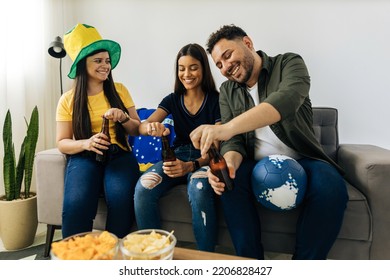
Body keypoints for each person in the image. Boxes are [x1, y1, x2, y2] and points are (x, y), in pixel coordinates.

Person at [190, 24, 349, 259]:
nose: (225, 67)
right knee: (229, 186)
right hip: (254, 164)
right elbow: (233, 143)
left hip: (304, 158)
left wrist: (224, 128)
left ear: (247, 43)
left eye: (227, 55)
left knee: (331, 187)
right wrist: (230, 164)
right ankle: (251, 263)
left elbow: (286, 100)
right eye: (219, 65)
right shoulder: (227, 90)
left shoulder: (289, 63)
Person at [56, 23, 141, 239]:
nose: (105, 65)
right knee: (76, 202)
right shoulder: (68, 100)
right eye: (98, 61)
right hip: (84, 156)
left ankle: (112, 253)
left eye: (107, 61)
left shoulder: (120, 90)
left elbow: (137, 128)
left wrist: (123, 118)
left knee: (121, 198)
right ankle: (76, 257)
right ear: (83, 65)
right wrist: (86, 143)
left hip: (119, 154)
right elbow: (62, 142)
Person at [134, 43, 221, 252]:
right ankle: (153, 255)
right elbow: (142, 127)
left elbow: (216, 147)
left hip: (204, 158)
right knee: (144, 187)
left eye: (193, 67)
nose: (187, 74)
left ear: (203, 69)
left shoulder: (217, 100)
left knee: (199, 188)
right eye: (182, 68)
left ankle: (205, 257)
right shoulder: (172, 99)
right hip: (177, 155)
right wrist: (152, 127)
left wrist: (191, 166)